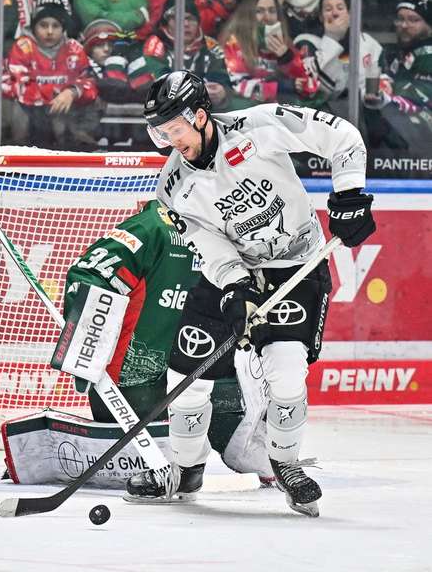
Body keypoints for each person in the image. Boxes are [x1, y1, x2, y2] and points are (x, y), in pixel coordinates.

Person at [141, 70, 375, 516]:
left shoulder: (259, 126)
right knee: (186, 372)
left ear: (201, 115)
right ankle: (186, 467)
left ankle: (284, 464)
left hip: (296, 264)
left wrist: (349, 196)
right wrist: (234, 285)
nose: (172, 142)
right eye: (162, 133)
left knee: (286, 370)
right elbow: (206, 242)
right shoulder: (172, 188)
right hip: (233, 273)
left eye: (175, 129)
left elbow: (342, 136)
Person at [61, 199, 275, 498]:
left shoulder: (238, 228)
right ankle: (185, 469)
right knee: (146, 458)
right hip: (137, 381)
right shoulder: (152, 229)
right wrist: (87, 343)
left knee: (246, 443)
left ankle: (278, 462)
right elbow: (88, 276)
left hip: (207, 366)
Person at [6, 0, 97, 149]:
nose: (49, 31)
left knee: (89, 101)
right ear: (34, 26)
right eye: (43, 25)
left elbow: (90, 83)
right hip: (31, 116)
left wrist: (72, 92)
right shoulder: (22, 46)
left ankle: (77, 152)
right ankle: (18, 153)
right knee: (16, 105)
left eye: (55, 25)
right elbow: (18, 87)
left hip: (64, 116)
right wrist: (58, 93)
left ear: (63, 28)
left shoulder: (74, 48)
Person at [220, 0, 318, 105]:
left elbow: (310, 87)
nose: (267, 17)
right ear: (247, 16)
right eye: (259, 11)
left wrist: (287, 59)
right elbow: (236, 86)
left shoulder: (286, 46)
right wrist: (280, 87)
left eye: (272, 11)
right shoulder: (232, 44)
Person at [294, 0, 384, 115]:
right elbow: (311, 88)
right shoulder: (306, 41)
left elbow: (374, 84)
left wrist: (371, 93)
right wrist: (332, 37)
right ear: (321, 17)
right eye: (328, 9)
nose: (335, 13)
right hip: (318, 115)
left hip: (359, 116)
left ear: (349, 14)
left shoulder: (368, 43)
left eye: (340, 8)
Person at [364, 0, 432, 155]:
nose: (404, 25)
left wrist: (390, 90)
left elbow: (425, 92)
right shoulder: (397, 54)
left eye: (413, 20)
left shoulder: (428, 54)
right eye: (400, 19)